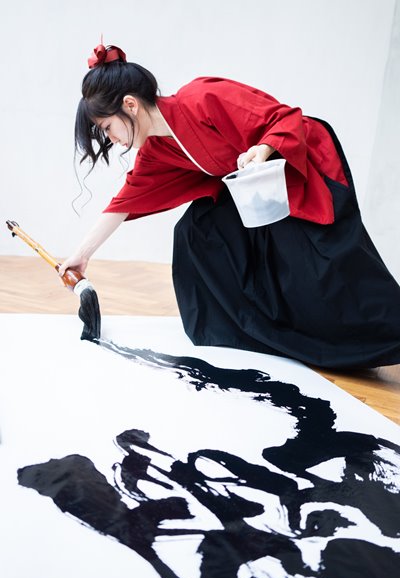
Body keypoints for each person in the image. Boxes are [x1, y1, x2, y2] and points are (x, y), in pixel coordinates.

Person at [59, 43, 400, 369]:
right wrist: (82, 255)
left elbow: (284, 117)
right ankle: (253, 333)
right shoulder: (156, 152)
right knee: (196, 232)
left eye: (107, 127)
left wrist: (262, 150)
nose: (111, 139)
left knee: (324, 274)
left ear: (130, 105)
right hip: (257, 190)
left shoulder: (202, 98)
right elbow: (125, 201)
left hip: (298, 166)